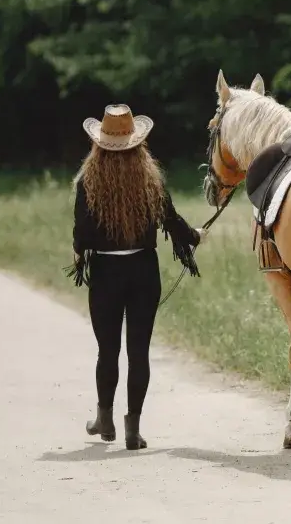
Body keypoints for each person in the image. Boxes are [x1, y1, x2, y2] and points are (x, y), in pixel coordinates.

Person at [66, 103, 206, 450]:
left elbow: (82, 233)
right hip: (144, 270)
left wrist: (79, 251)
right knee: (139, 351)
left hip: (105, 272)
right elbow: (171, 221)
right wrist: (195, 236)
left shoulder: (88, 181)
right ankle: (133, 429)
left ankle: (105, 418)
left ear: (99, 143)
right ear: (137, 142)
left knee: (108, 351)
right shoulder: (150, 178)